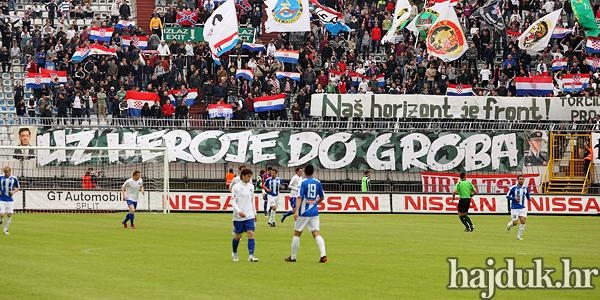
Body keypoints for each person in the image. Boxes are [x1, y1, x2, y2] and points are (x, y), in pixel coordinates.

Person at [284, 164, 327, 263]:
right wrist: (315, 203)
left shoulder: (302, 183)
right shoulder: (317, 182)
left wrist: (296, 211)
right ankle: (323, 254)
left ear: (304, 172)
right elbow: (322, 197)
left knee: (297, 233)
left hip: (303, 212)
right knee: (316, 233)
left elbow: (299, 197)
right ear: (313, 172)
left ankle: (293, 257)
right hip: (314, 212)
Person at [231, 168, 259, 262]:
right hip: (238, 216)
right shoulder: (236, 187)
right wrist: (239, 211)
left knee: (250, 233)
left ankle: (251, 255)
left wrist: (255, 213)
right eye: (248, 176)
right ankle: (234, 252)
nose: (249, 178)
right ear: (243, 176)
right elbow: (233, 202)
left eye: (250, 176)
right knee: (238, 236)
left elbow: (252, 201)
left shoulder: (251, 187)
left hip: (249, 215)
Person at [506, 174, 531, 240]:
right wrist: (514, 198)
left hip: (523, 208)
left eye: (522, 179)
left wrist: (529, 199)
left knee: (523, 221)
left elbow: (528, 195)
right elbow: (507, 196)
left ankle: (518, 236)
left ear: (524, 180)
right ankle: (509, 225)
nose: (521, 180)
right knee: (515, 223)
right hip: (514, 208)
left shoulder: (525, 188)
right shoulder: (513, 188)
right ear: (517, 180)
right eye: (520, 179)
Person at [0, 166, 20, 235]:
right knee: (2, 214)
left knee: (9, 214)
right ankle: (0, 219)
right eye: (5, 172)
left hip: (10, 199)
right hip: (1, 199)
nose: (6, 174)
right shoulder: (1, 177)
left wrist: (13, 192)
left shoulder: (14, 178)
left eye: (7, 172)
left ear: (10, 172)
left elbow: (18, 187)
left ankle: (5, 230)